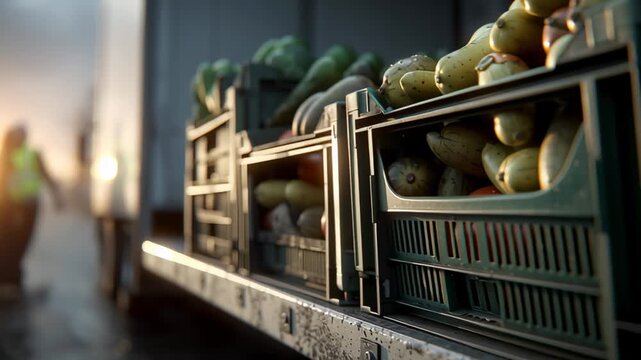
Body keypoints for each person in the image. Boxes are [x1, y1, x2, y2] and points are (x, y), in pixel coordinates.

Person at [0, 124, 63, 293]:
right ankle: (9, 279)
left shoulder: (25, 155)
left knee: (17, 242)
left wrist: (57, 197)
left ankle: (11, 279)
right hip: (13, 207)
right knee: (12, 242)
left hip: (23, 206)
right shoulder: (9, 154)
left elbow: (46, 176)